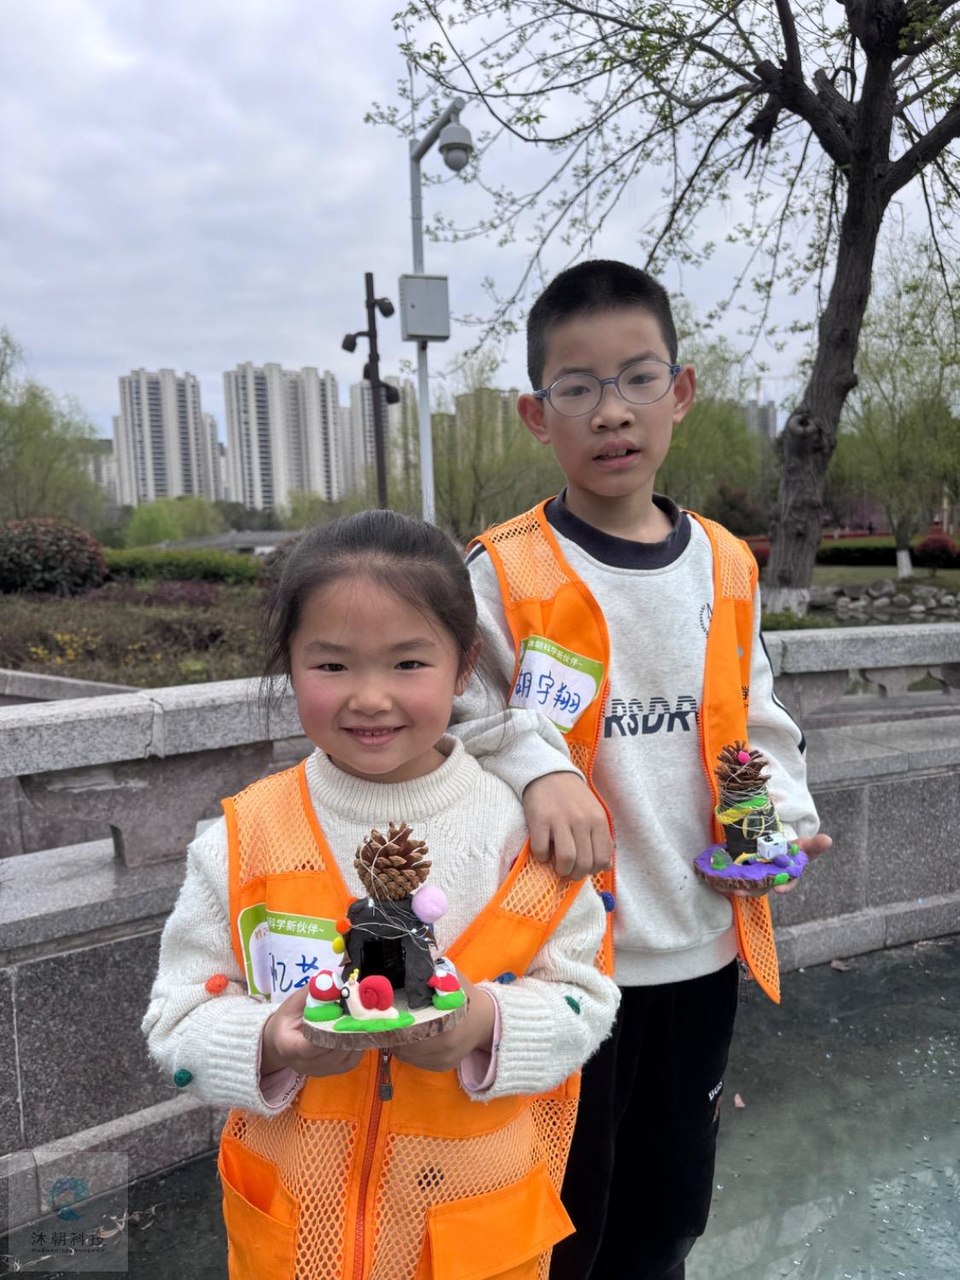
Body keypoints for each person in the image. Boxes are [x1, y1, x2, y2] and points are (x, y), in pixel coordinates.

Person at [450, 260, 832, 1280]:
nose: (611, 411)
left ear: (681, 391)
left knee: (667, 1217)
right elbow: (459, 710)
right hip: (566, 965)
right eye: (577, 387)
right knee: (561, 1225)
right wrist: (539, 767)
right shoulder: (504, 568)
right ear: (537, 414)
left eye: (637, 378)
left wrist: (784, 819)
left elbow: (753, 714)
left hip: (701, 945)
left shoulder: (724, 561)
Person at [142, 509, 619, 1280]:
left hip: (471, 1236)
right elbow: (177, 1017)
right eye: (332, 665)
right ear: (290, 664)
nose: (369, 697)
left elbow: (586, 999)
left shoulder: (519, 831)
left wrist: (483, 1024)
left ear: (463, 667)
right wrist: (270, 1042)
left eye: (408, 664)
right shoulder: (244, 837)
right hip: (297, 1240)